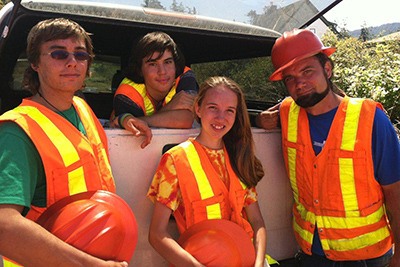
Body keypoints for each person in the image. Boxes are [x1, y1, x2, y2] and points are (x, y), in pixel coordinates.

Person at [0, 18, 142, 266]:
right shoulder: (18, 130)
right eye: (58, 53)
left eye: (81, 54)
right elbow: (4, 227)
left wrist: (124, 117)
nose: (72, 62)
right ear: (34, 63)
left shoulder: (81, 108)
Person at [258, 28, 400, 267]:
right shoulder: (287, 112)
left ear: (327, 69)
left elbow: (396, 194)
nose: (299, 83)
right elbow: (263, 118)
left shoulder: (370, 119)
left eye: (307, 71)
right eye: (290, 78)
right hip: (312, 254)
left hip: (366, 258)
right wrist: (260, 120)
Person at [147, 76, 268, 266]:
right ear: (198, 109)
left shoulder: (239, 157)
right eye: (213, 107)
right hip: (202, 261)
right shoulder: (176, 160)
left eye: (229, 110)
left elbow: (257, 221)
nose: (221, 118)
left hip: (247, 259)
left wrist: (259, 263)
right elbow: (156, 234)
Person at [111, 31, 198, 133]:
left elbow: (185, 119)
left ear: (175, 65)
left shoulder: (185, 76)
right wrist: (171, 106)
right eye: (153, 64)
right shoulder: (127, 94)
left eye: (168, 62)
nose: (162, 71)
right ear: (140, 69)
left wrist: (137, 121)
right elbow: (135, 134)